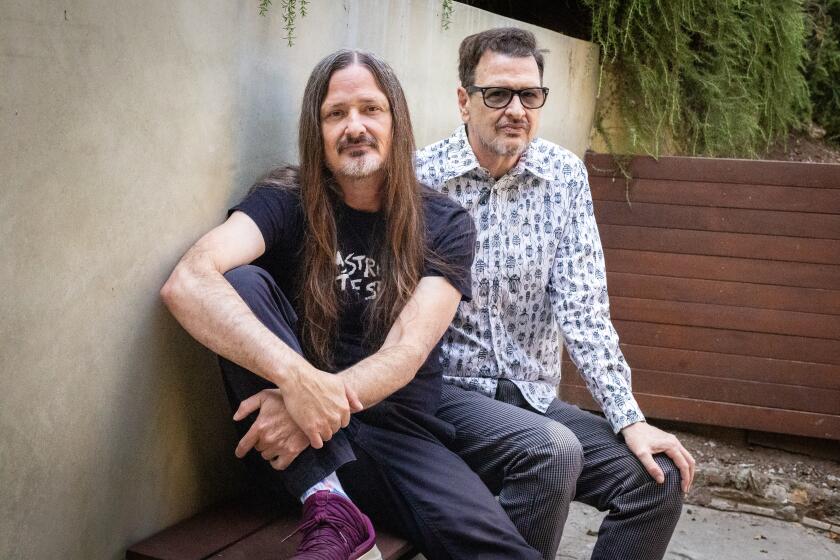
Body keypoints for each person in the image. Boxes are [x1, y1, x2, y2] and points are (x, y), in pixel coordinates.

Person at [161, 48, 542, 560]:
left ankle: (336, 503)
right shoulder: (285, 198)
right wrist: (298, 383)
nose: (354, 126)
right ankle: (331, 506)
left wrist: (311, 402)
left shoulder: (445, 223)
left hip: (397, 435)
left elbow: (407, 350)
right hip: (298, 452)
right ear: (316, 132)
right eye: (336, 114)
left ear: (397, 122)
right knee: (241, 282)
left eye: (370, 109)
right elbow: (187, 281)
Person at [415, 27, 697, 560]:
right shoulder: (420, 179)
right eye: (497, 94)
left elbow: (584, 307)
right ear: (463, 101)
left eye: (530, 95)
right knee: (551, 450)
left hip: (532, 397)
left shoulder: (563, 177)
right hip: (448, 394)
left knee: (655, 480)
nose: (515, 109)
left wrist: (628, 418)